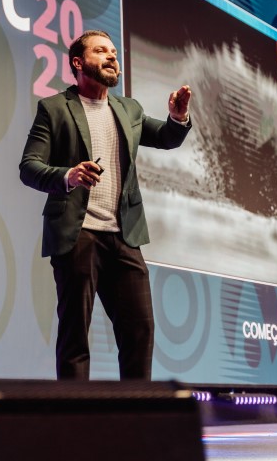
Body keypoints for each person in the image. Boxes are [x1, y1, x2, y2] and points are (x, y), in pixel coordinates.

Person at [20, 29, 191, 380]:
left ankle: (135, 410)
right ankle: (76, 412)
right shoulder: (54, 108)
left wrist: (177, 118)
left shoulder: (129, 109)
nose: (112, 56)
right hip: (77, 233)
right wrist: (68, 175)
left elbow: (166, 137)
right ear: (78, 62)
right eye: (101, 51)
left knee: (140, 330)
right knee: (75, 335)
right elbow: (29, 167)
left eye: (113, 51)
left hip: (124, 236)